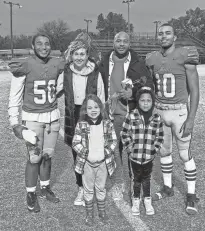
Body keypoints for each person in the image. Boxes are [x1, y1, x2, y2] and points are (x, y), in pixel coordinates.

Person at [145, 23, 200, 215]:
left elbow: (194, 90)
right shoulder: (152, 58)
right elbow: (150, 86)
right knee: (164, 152)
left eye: (168, 33)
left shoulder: (186, 55)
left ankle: (191, 194)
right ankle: (168, 188)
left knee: (185, 155)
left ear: (175, 37)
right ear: (157, 37)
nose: (164, 36)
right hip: (160, 111)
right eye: (161, 34)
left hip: (179, 112)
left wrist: (191, 118)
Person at [8, 33, 64, 213]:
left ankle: (45, 187)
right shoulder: (25, 65)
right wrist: (15, 122)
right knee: (34, 157)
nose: (44, 47)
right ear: (32, 46)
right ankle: (31, 192)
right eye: (39, 43)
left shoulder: (56, 63)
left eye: (47, 43)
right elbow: (14, 96)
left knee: (47, 155)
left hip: (52, 117)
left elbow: (60, 87)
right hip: (32, 118)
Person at [99, 31, 154, 201]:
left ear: (129, 44)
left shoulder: (138, 63)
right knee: (114, 153)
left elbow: (149, 86)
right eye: (118, 41)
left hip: (132, 115)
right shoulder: (104, 62)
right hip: (111, 115)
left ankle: (134, 186)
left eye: (125, 41)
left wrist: (133, 93)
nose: (121, 44)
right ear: (113, 43)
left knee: (134, 153)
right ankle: (118, 185)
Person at [56, 32, 105, 207]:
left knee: (92, 150)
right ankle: (81, 187)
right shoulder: (66, 72)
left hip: (89, 114)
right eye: (76, 54)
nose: (79, 57)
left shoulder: (94, 72)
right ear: (71, 55)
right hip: (72, 114)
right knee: (77, 153)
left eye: (82, 54)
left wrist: (102, 118)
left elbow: (101, 97)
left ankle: (93, 184)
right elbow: (56, 90)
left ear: (87, 55)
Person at [72, 94, 117, 226]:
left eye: (96, 107)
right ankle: (89, 214)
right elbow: (75, 143)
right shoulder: (81, 124)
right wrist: (87, 154)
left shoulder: (107, 123)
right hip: (87, 164)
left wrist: (105, 153)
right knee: (88, 189)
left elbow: (113, 141)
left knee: (101, 187)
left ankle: (102, 212)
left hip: (103, 163)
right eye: (90, 107)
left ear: (101, 108)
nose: (93, 110)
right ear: (85, 110)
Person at [121, 87, 164, 216]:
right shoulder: (132, 115)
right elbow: (124, 133)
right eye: (142, 100)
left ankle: (147, 199)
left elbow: (160, 136)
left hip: (148, 157)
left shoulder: (156, 117)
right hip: (134, 156)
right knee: (136, 179)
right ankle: (136, 200)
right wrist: (129, 147)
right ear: (138, 101)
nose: (145, 103)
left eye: (148, 100)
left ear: (153, 102)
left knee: (146, 179)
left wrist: (154, 150)